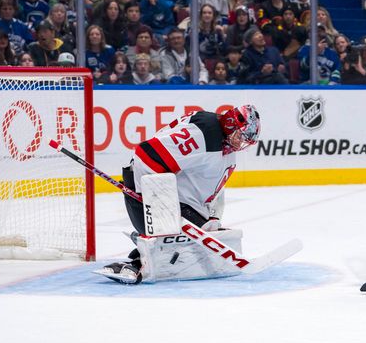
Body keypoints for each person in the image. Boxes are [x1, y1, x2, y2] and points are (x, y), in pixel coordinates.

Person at [96, 105, 261, 284]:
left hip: (180, 201)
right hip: (145, 190)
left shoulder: (225, 149)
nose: (241, 143)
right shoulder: (205, 135)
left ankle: (143, 255)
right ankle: (143, 259)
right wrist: (157, 199)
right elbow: (146, 154)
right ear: (230, 125)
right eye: (240, 136)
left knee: (199, 244)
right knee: (184, 244)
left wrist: (211, 218)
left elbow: (213, 191)